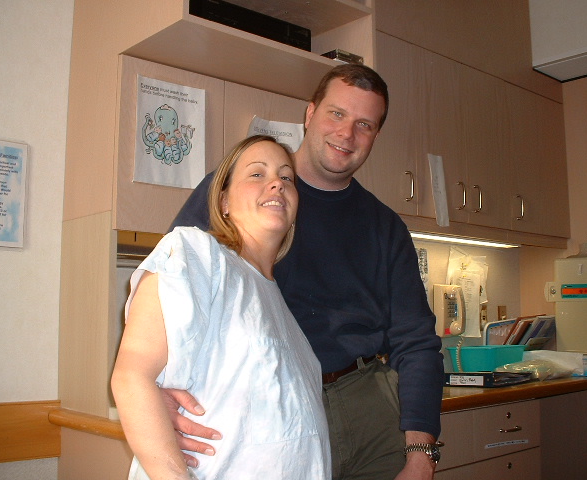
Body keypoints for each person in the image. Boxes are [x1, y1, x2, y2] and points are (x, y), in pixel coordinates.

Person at [166, 64, 444, 480]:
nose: (346, 134)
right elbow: (171, 299)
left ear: (375, 136)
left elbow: (417, 341)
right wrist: (161, 391)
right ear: (310, 114)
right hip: (267, 403)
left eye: (364, 124)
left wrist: (421, 452)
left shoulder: (386, 227)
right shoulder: (237, 193)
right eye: (336, 114)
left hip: (369, 406)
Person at [111, 135, 331, 480]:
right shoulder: (196, 254)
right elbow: (131, 377)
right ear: (224, 200)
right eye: (257, 174)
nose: (277, 183)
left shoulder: (281, 307)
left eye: (286, 177)